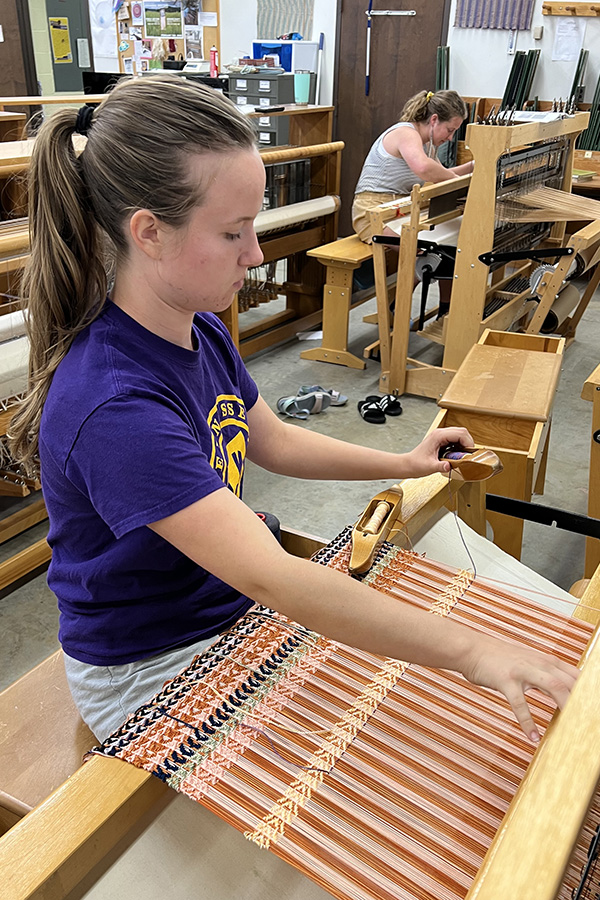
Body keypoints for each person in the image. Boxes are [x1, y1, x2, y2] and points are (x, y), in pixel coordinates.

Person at [9, 75, 575, 747]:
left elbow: (268, 439)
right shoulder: (113, 404)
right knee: (399, 752)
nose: (255, 253)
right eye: (233, 232)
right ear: (149, 233)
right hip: (150, 661)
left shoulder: (198, 325)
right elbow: (272, 575)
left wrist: (403, 459)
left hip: (220, 605)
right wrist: (477, 653)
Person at [352, 89, 474, 244]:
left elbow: (441, 174)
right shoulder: (406, 133)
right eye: (449, 130)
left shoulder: (426, 144)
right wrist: (456, 179)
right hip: (373, 212)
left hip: (401, 209)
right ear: (434, 120)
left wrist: (473, 166)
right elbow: (423, 168)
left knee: (446, 244)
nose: (450, 138)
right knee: (425, 251)